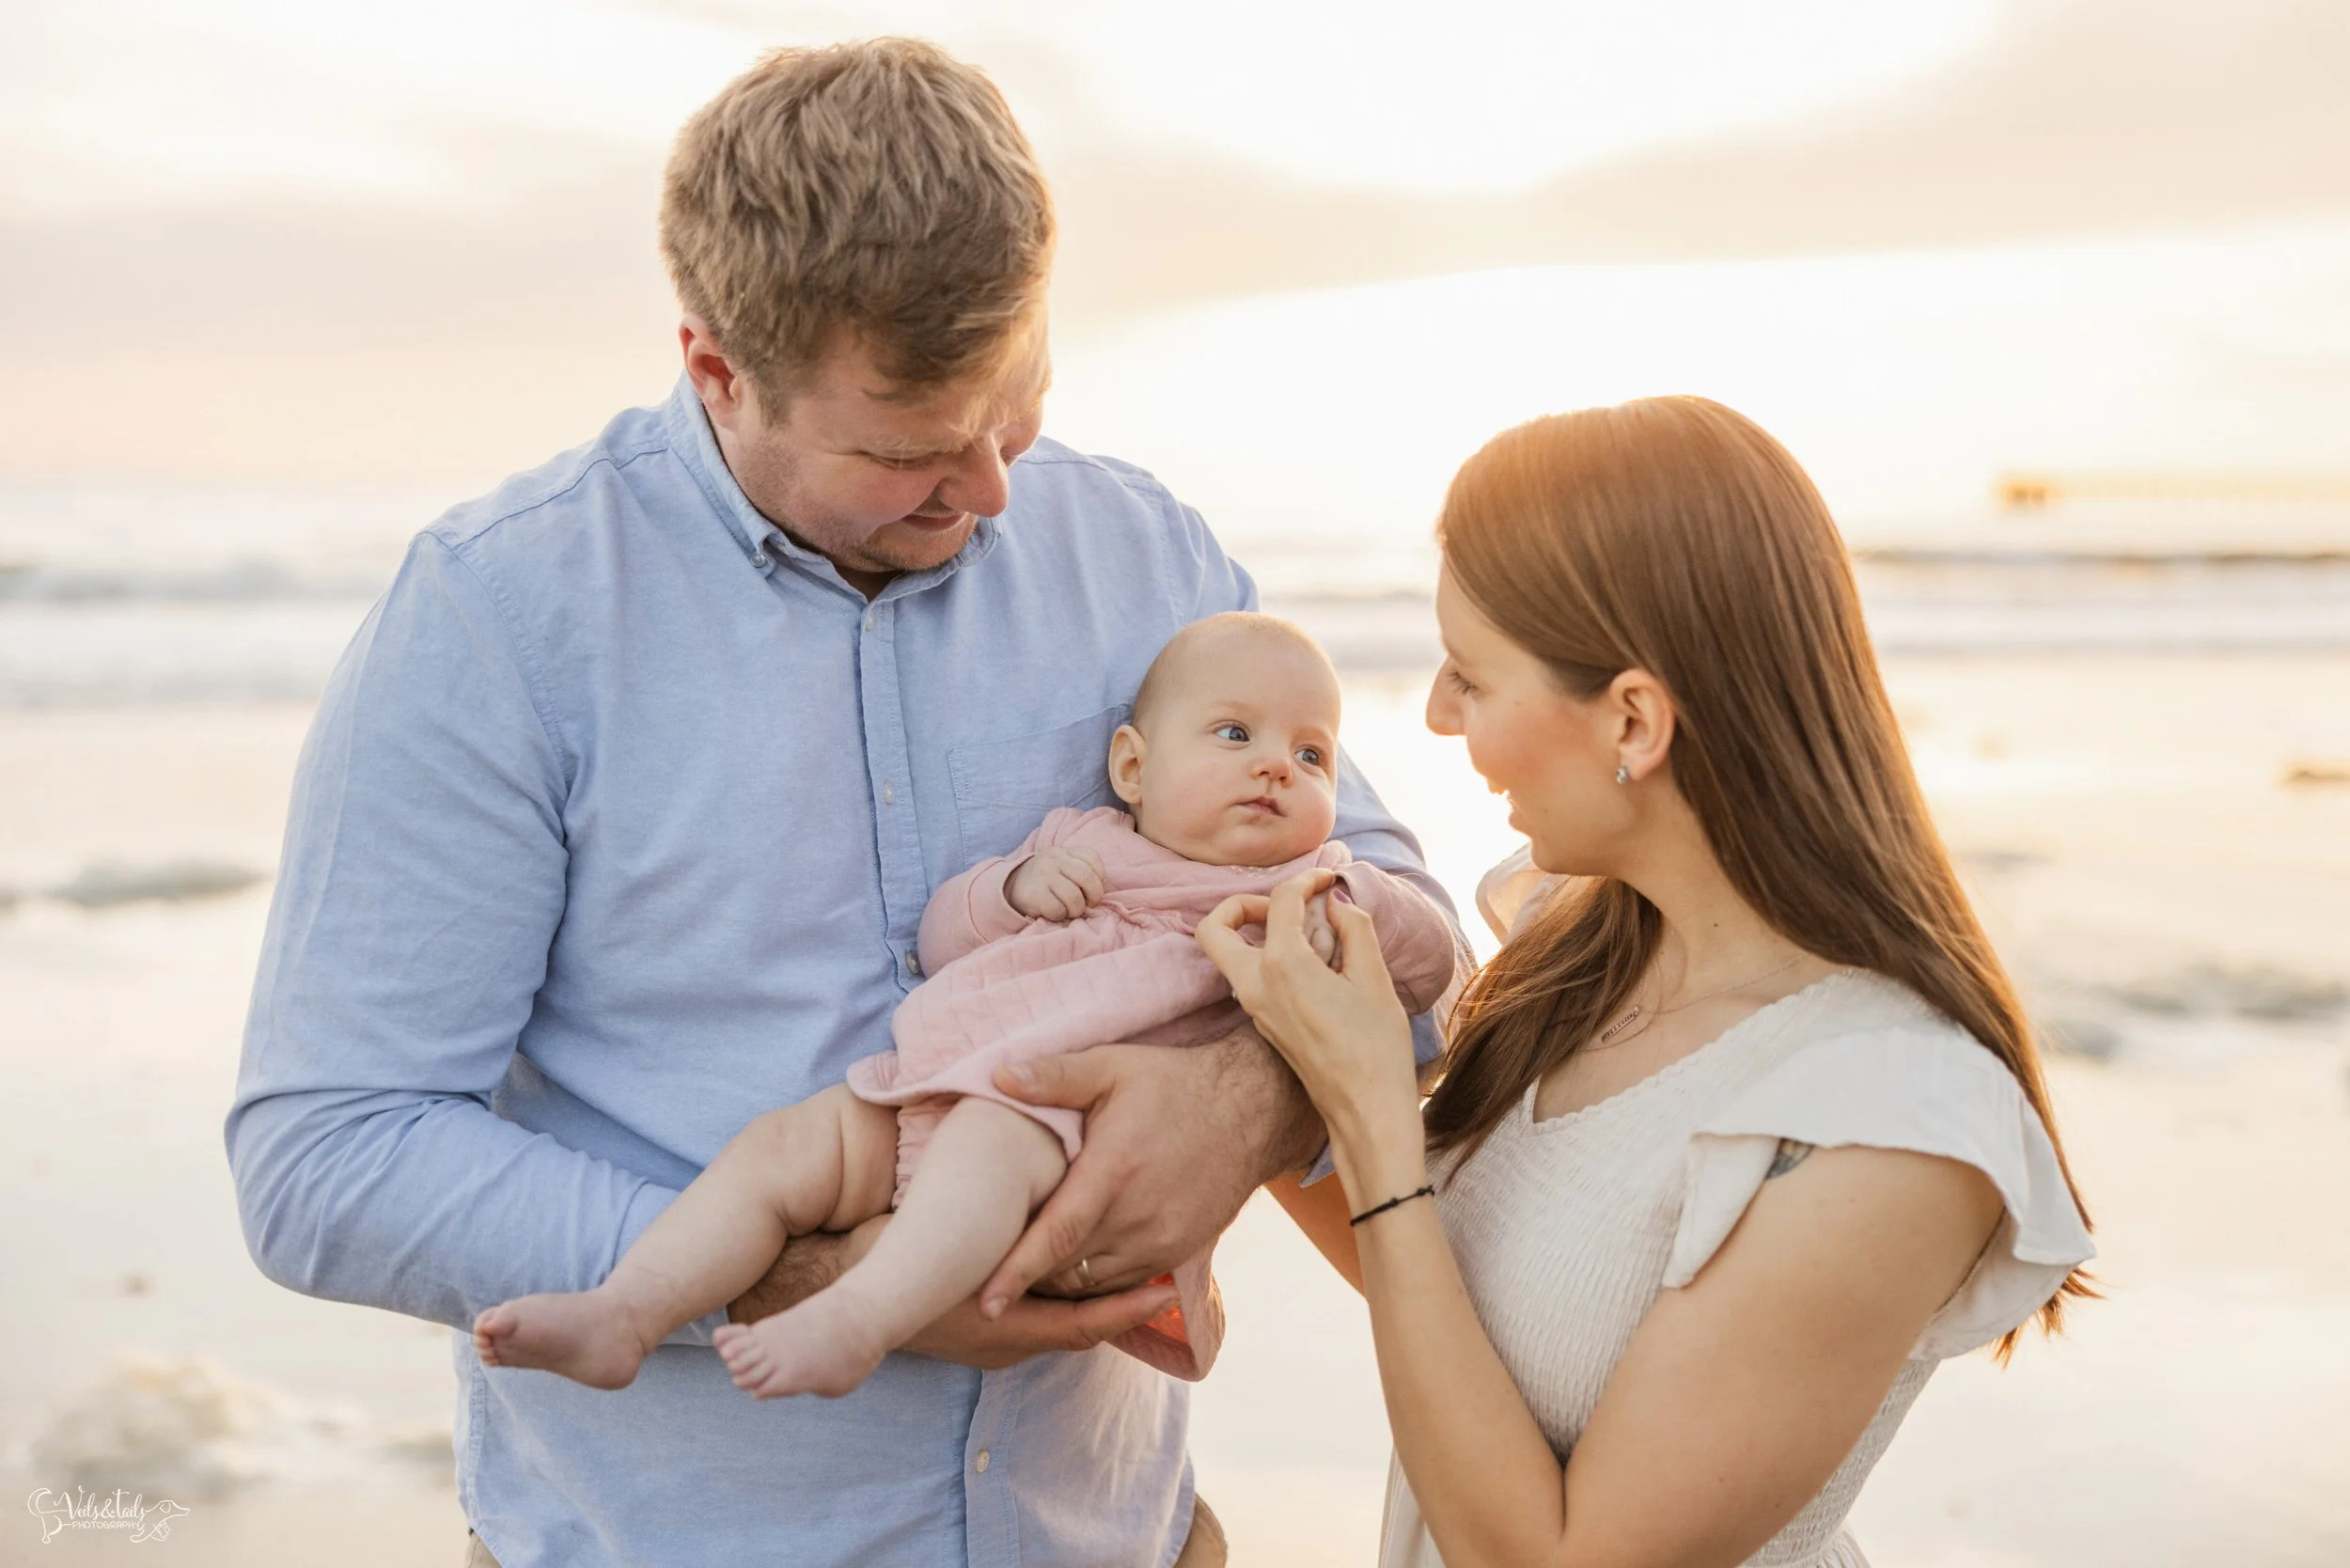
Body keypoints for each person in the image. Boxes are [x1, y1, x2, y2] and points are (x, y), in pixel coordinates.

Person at [224, 40, 1453, 1568]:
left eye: (1015, 409)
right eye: (910, 453)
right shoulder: (497, 617)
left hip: (1124, 1536)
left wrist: (1238, 1105)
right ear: (715, 367)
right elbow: (328, 1155)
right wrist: (802, 1272)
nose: (995, 494)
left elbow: (1397, 907)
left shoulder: (1137, 548)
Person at [1189, 397, 2098, 1568]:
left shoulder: (1889, 1123)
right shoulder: (1581, 949)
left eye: (1471, 674)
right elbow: (1456, 1302)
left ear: (1631, 719)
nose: (1435, 712)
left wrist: (1370, 1114)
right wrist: (1269, 1048)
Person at [470, 614, 1455, 1400]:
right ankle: (628, 1312)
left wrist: (1357, 904)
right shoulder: (1079, 840)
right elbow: (945, 939)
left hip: (1063, 1130)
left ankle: (860, 1318)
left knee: (987, 1144)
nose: (1277, 766)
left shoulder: (1312, 890)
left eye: (1313, 755)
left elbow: (1433, 967)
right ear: (1132, 769)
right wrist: (1012, 890)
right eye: (1235, 735)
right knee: (780, 1150)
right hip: (924, 1088)